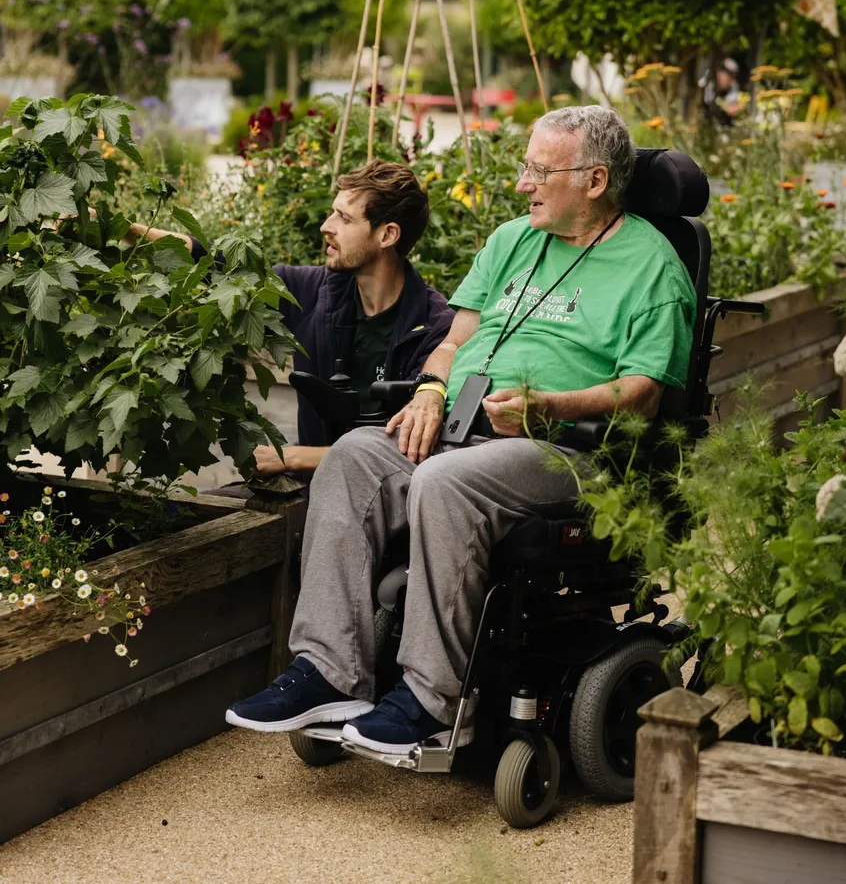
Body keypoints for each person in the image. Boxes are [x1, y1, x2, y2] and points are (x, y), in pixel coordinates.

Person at [225, 105, 697, 752]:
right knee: (354, 455)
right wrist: (429, 390)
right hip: (465, 424)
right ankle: (329, 672)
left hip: (566, 449)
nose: (523, 184)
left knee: (444, 480)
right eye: (526, 168)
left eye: (540, 171)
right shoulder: (511, 241)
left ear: (594, 181)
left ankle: (431, 699)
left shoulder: (653, 266)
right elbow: (454, 341)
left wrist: (550, 405)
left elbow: (642, 395)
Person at [126, 161, 453, 477]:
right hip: (306, 487)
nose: (326, 226)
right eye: (332, 212)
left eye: (344, 218)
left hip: (382, 496)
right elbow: (212, 260)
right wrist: (127, 231)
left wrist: (292, 458)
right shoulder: (319, 292)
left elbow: (406, 447)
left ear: (387, 235)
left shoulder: (434, 330)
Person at [701, 57, 742, 126]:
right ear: (719, 73)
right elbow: (707, 102)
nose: (731, 79)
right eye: (729, 75)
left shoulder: (733, 85)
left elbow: (733, 105)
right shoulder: (707, 84)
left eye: (733, 77)